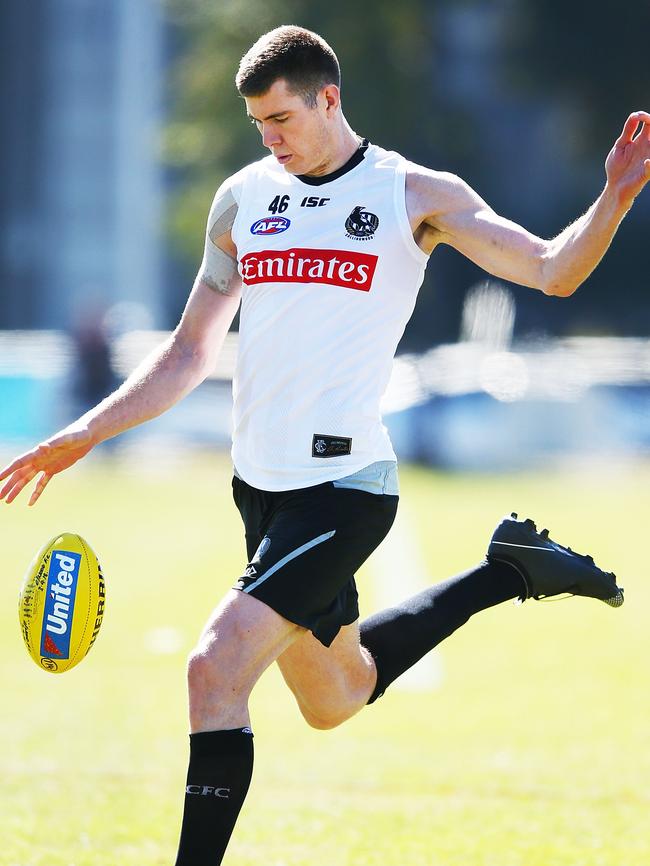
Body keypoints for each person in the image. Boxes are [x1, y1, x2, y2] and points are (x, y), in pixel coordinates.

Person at [1, 25, 646, 865]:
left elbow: (555, 269)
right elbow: (192, 351)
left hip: (345, 488)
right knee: (337, 696)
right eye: (257, 125)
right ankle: (510, 570)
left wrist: (615, 200)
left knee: (213, 671)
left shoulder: (415, 194)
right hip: (260, 492)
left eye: (281, 119)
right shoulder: (240, 200)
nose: (269, 139)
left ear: (328, 99)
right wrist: (86, 432)